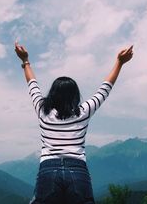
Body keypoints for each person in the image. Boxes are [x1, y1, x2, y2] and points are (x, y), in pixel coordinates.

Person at [15, 41, 133, 204]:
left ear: (53, 94)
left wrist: (25, 61)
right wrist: (119, 62)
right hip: (77, 170)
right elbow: (105, 88)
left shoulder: (43, 110)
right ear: (75, 95)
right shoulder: (84, 112)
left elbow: (32, 84)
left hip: (48, 169)